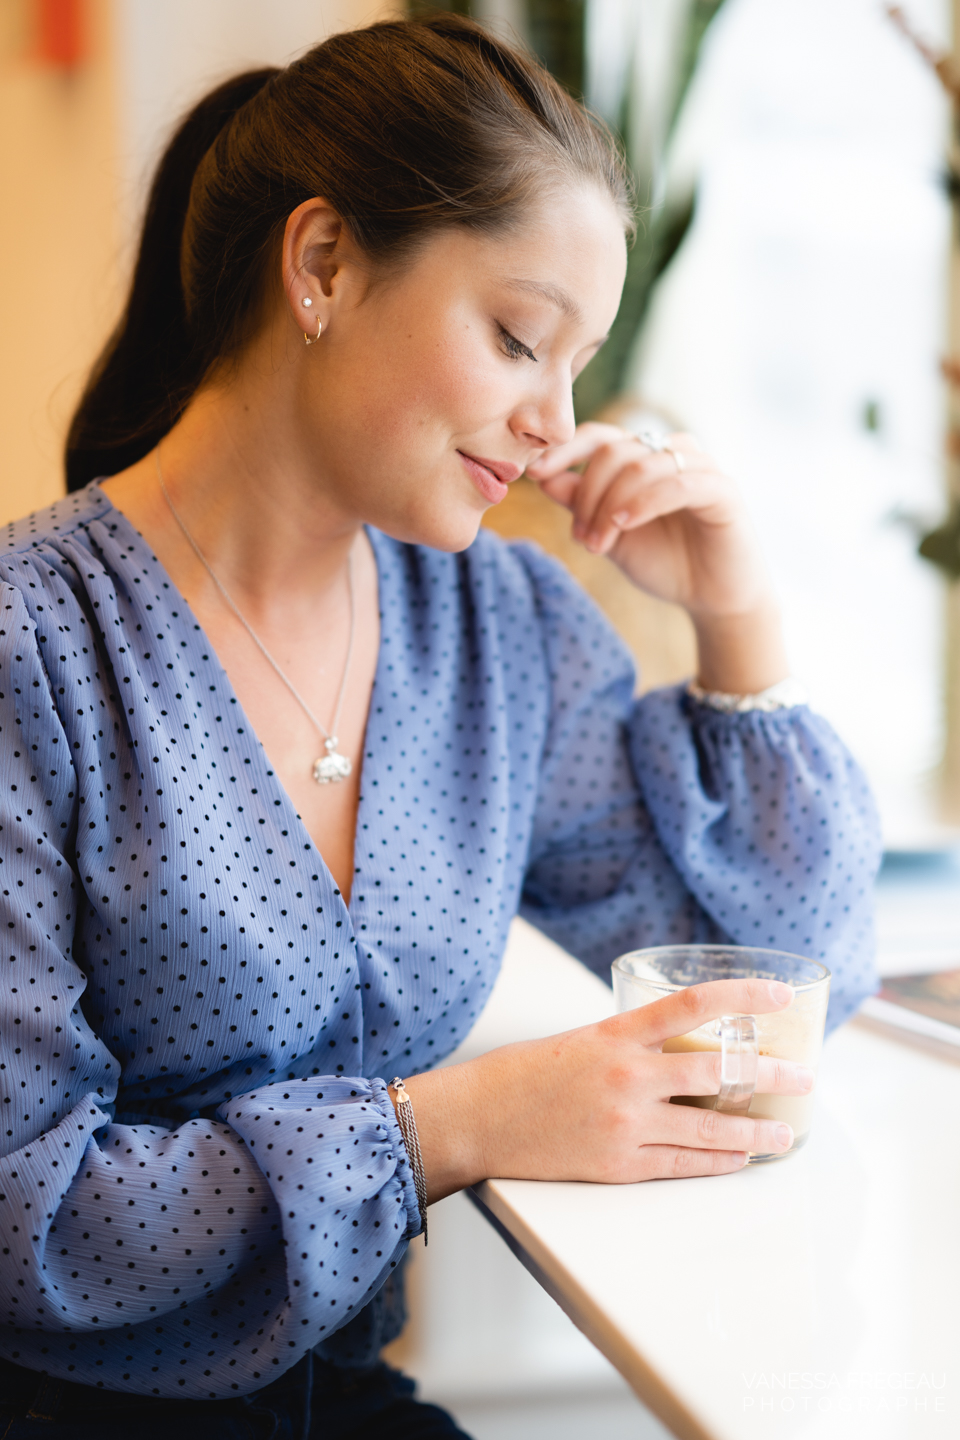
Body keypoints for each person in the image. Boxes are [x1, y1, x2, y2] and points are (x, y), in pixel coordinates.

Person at [0, 13, 880, 1437]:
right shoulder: (32, 648)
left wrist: (739, 616)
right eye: (521, 339)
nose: (557, 419)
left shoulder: (498, 635)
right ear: (325, 265)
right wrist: (453, 1125)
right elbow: (20, 1206)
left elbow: (796, 990)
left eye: (581, 363)